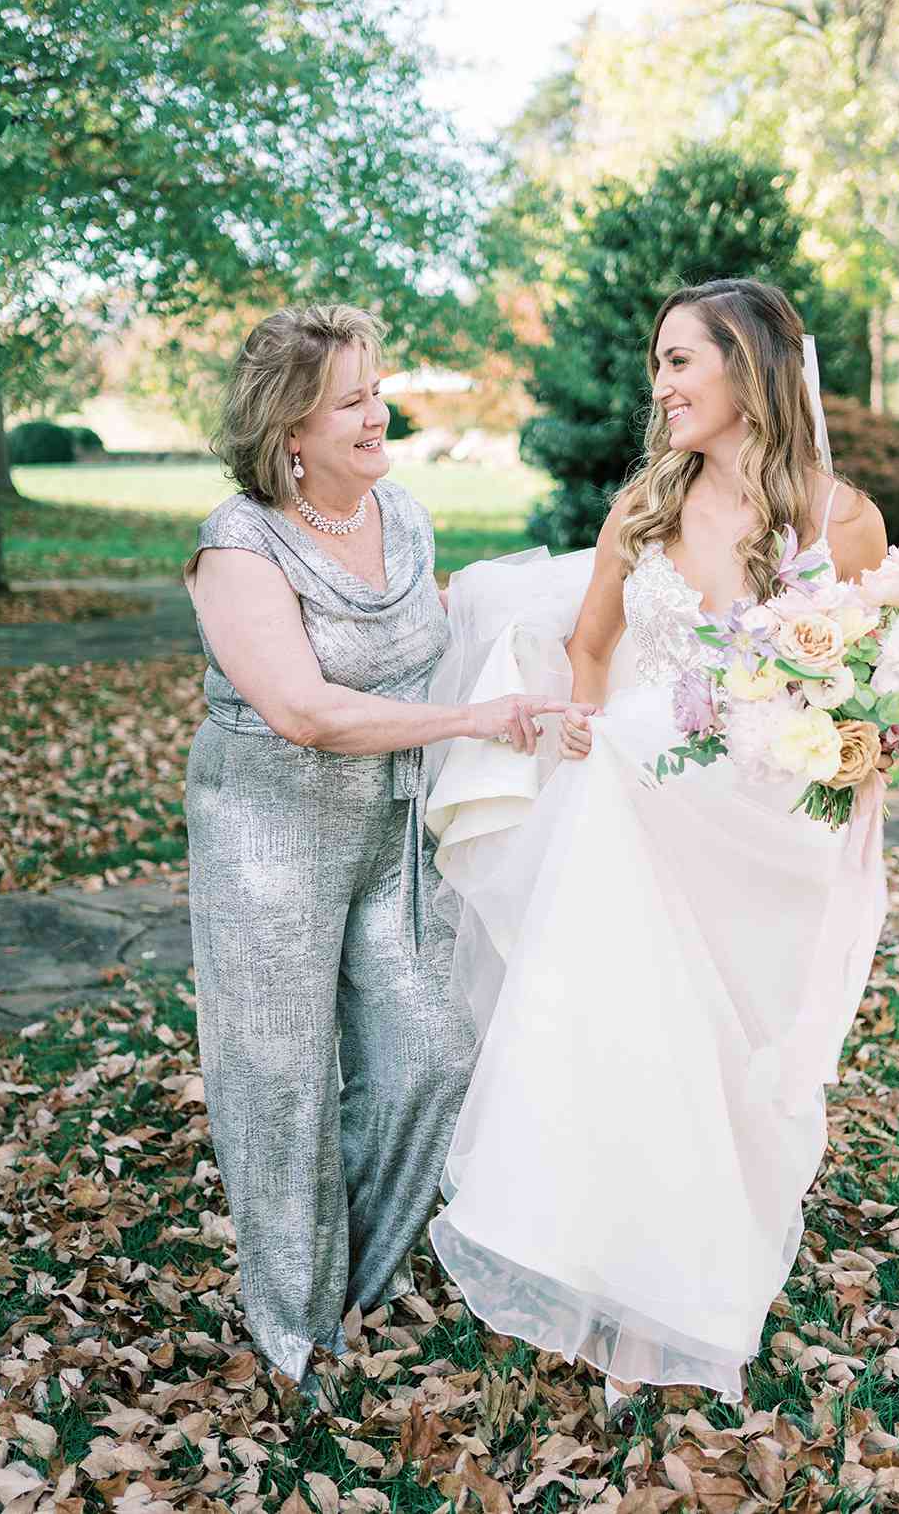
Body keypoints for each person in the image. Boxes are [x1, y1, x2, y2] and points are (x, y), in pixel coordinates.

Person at [424, 279, 891, 1412]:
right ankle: (600, 1262)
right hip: (629, 814)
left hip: (761, 829)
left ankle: (705, 1248)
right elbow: (590, 652)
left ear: (750, 367)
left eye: (681, 361)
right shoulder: (642, 507)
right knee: (615, 1038)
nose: (661, 386)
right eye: (658, 364)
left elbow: (868, 699)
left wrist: (862, 753)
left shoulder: (839, 521)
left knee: (737, 1063)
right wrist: (582, 768)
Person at [182, 302, 571, 1392]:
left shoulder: (401, 514)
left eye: (375, 388)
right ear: (289, 429)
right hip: (269, 823)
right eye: (349, 398)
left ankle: (343, 1277)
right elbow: (304, 711)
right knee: (282, 1084)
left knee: (432, 1051)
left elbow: (436, 638)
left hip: (391, 818)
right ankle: (293, 1327)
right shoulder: (237, 545)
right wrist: (470, 725)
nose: (376, 412)